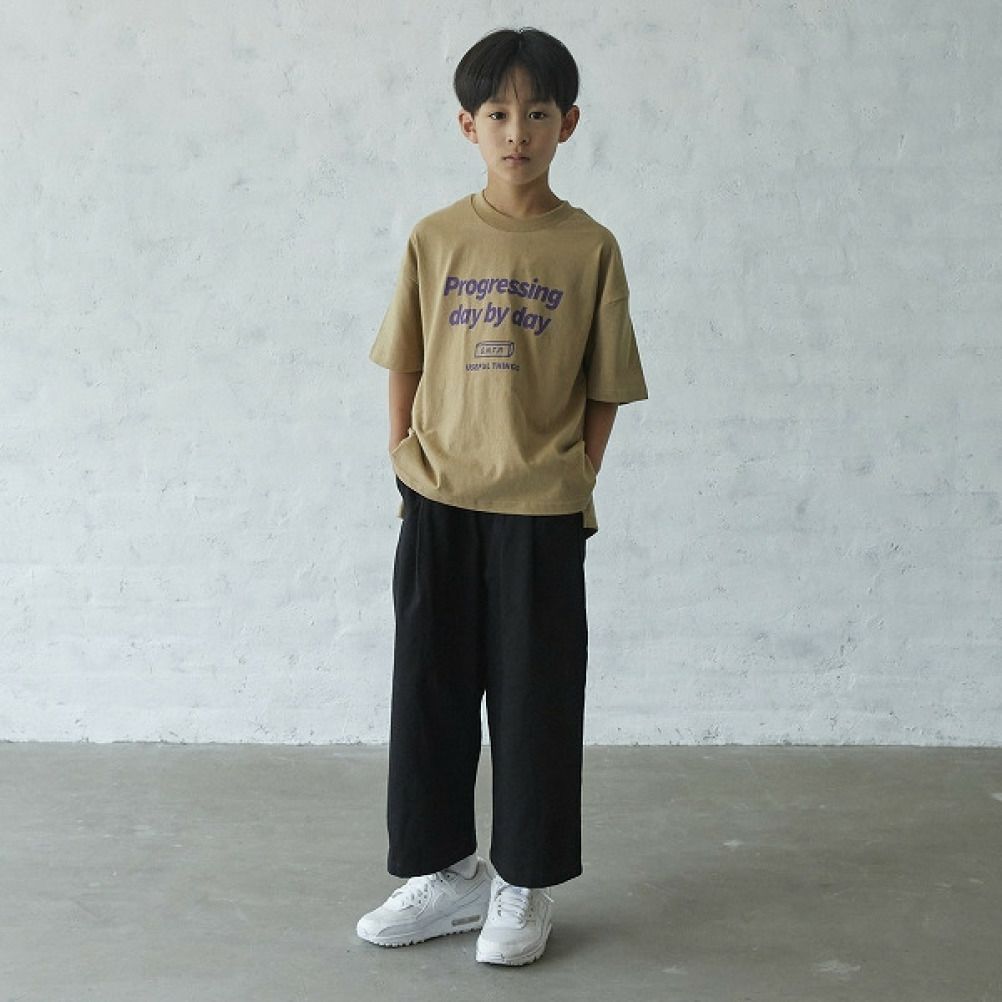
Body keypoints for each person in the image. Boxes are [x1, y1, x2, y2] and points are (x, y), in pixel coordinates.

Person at [356, 26, 648, 966]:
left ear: (569, 123)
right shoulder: (436, 237)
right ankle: (447, 874)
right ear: (467, 126)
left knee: (535, 699)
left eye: (537, 112)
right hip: (440, 499)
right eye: (497, 113)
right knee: (429, 691)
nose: (516, 131)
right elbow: (404, 357)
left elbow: (607, 385)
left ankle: (523, 881)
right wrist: (403, 459)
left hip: (540, 509)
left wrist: (577, 475)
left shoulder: (589, 247)